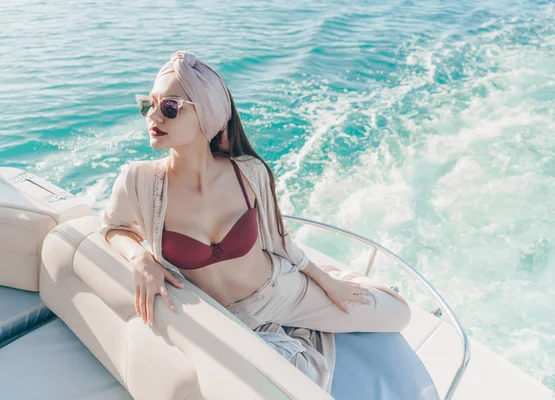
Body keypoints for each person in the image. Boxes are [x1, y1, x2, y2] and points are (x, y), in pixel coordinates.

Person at [98, 50, 411, 391]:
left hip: (280, 290)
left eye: (169, 106)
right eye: (148, 104)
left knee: (399, 314)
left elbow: (280, 243)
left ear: (208, 115)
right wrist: (139, 256)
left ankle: (342, 279)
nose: (153, 116)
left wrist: (326, 282)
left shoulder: (249, 173)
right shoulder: (139, 182)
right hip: (231, 320)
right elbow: (113, 227)